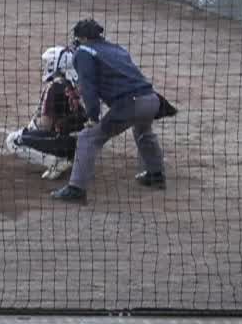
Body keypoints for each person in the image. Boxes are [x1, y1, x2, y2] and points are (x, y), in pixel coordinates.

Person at [51, 19, 177, 203]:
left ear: (84, 38)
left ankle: (76, 189)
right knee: (143, 130)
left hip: (131, 103)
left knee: (89, 137)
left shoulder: (84, 52)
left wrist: (93, 116)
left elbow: (89, 87)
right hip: (152, 100)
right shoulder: (116, 48)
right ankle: (156, 174)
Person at [3, 46, 87, 180]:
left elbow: (45, 125)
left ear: (56, 65)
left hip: (64, 143)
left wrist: (31, 129)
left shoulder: (53, 87)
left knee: (13, 140)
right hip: (83, 143)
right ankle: (68, 158)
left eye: (48, 63)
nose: (46, 66)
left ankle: (56, 162)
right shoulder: (74, 83)